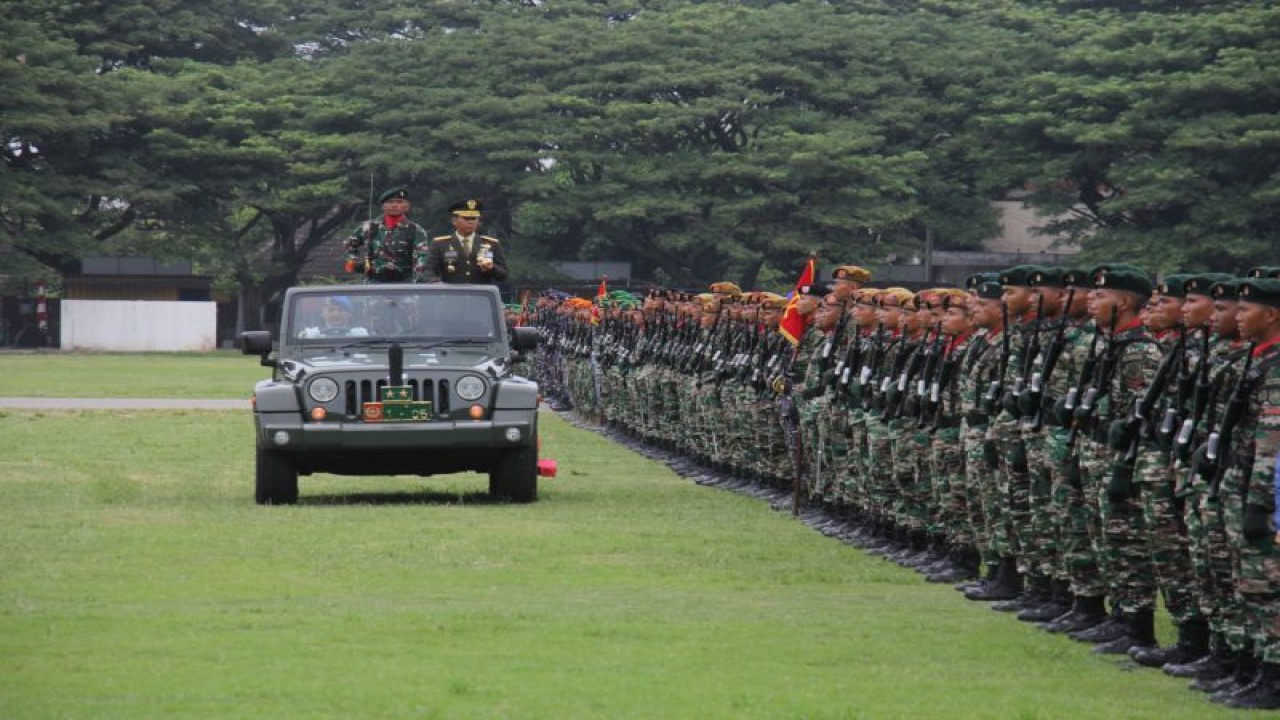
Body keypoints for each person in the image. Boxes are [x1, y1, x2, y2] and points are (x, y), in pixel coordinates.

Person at [343, 186, 431, 283]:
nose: (394, 205)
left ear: (407, 206)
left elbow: (422, 256)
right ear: (383, 206)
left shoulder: (415, 230)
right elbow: (350, 243)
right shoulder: (369, 227)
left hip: (404, 282)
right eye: (390, 202)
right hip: (374, 281)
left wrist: (417, 277)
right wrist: (352, 259)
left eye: (399, 202)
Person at [420, 199, 508, 284]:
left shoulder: (491, 244)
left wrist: (491, 268)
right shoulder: (440, 244)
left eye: (474, 219)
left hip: (480, 295)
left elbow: (503, 275)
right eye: (466, 218)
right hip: (451, 294)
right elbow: (428, 270)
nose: (471, 222)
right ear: (454, 221)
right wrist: (435, 282)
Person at [298, 296, 369, 338]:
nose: (336, 314)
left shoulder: (360, 334)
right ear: (322, 313)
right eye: (331, 310)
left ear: (349, 314)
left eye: (341, 310)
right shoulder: (311, 335)